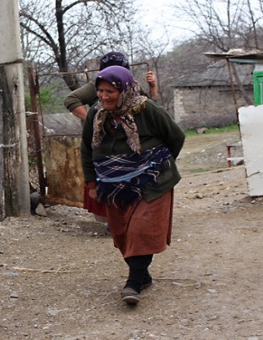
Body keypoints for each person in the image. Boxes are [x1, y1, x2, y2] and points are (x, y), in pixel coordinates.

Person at [80, 65, 185, 305]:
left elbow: (176, 137)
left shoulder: (148, 110)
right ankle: (143, 274)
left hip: (152, 182)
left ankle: (133, 283)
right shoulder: (96, 116)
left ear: (124, 89)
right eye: (100, 91)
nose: (104, 96)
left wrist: (157, 164)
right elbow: (86, 150)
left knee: (141, 230)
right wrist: (91, 183)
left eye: (110, 91)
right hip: (113, 186)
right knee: (122, 235)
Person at [64, 51, 158, 224]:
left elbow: (148, 106)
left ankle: (135, 217)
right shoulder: (99, 85)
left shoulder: (131, 85)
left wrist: (153, 87)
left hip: (130, 141)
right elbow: (71, 99)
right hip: (106, 142)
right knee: (107, 176)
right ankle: (111, 220)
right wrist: (94, 120)